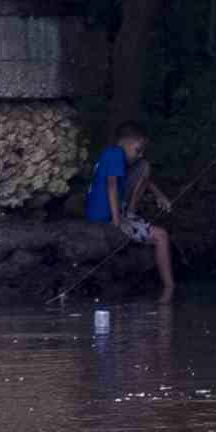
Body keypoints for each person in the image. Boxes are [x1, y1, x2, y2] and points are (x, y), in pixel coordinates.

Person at [85, 118, 177, 301]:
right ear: (124, 143)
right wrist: (117, 222)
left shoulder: (113, 155)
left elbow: (143, 176)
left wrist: (160, 195)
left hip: (116, 212)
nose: (140, 154)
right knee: (161, 236)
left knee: (144, 166)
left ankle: (169, 287)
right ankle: (169, 288)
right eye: (138, 149)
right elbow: (111, 186)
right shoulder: (114, 155)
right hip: (106, 218)